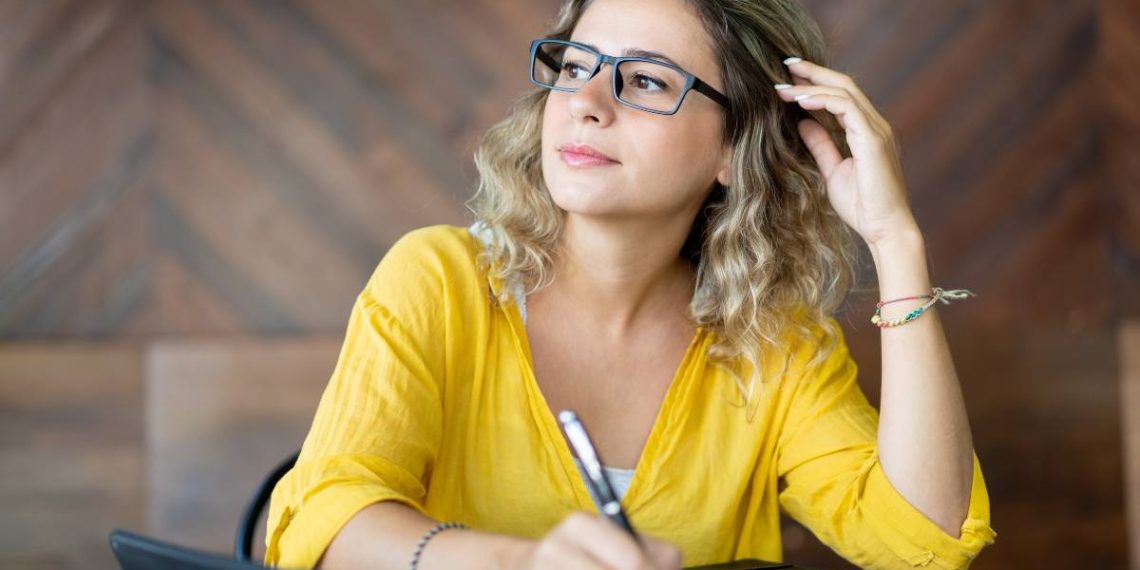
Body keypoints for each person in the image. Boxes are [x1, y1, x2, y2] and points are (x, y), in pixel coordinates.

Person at [264, 0, 997, 568]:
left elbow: (926, 542)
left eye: (645, 80)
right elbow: (319, 529)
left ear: (733, 149)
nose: (587, 101)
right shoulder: (438, 280)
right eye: (574, 67)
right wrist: (522, 563)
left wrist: (896, 243)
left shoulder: (778, 350)